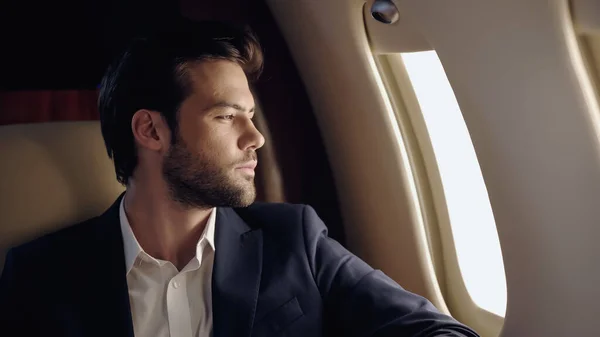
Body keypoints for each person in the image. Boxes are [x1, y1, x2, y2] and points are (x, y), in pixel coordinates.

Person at [0, 20, 480, 337]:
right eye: (227, 116)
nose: (256, 138)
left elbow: (436, 330)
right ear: (151, 130)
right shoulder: (39, 276)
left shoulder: (296, 240)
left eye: (251, 116)